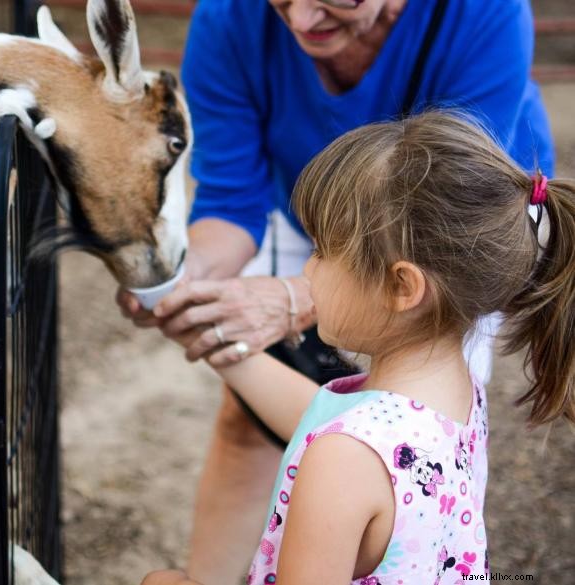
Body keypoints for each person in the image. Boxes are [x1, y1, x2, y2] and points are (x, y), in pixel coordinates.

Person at [116, 1, 555, 582]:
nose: (300, 20)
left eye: (317, 253)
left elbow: (337, 440)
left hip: (424, 237)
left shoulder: (340, 460)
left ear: (401, 285)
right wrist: (210, 315)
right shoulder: (439, 404)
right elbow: (329, 415)